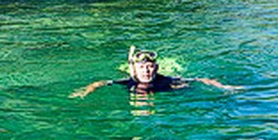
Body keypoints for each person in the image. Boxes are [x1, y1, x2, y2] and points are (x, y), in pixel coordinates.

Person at [70, 46, 235, 97]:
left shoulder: (165, 79)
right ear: (135, 69)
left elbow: (201, 79)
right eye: (142, 68)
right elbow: (101, 82)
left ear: (156, 68)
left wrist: (223, 87)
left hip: (165, 86)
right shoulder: (130, 81)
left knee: (182, 86)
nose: (146, 71)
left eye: (150, 67)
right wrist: (86, 91)